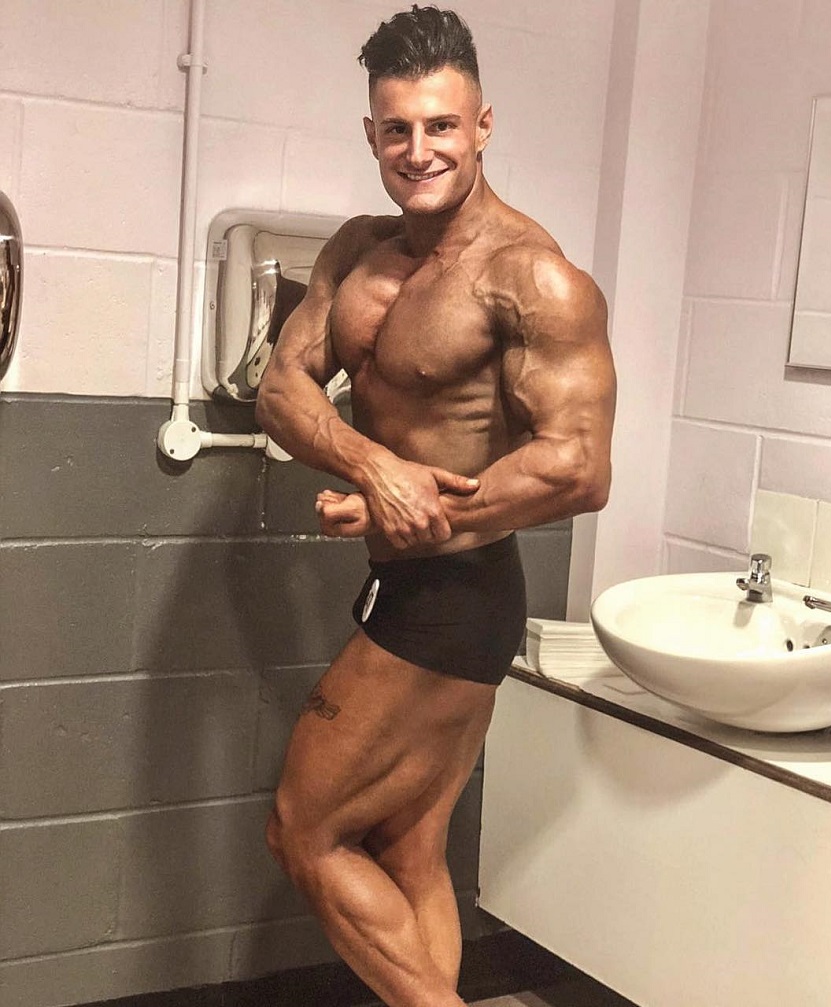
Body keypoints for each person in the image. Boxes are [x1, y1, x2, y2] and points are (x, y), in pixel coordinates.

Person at [256, 6, 616, 1005]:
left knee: (304, 828)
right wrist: (376, 471)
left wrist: (421, 515)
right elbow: (280, 386)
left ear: (483, 125)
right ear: (373, 132)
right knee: (411, 846)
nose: (420, 151)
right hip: (411, 580)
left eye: (442, 126)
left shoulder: (530, 278)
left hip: (457, 593)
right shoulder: (358, 252)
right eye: (398, 129)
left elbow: (578, 467)